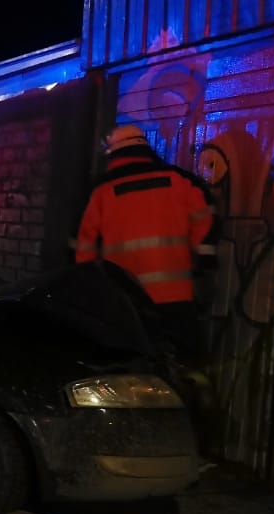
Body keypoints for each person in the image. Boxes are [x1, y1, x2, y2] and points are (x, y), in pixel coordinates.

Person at [75, 125, 215, 361]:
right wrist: (204, 269)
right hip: (177, 301)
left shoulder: (102, 192)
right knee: (186, 368)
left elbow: (84, 251)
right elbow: (207, 229)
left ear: (113, 156)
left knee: (125, 374)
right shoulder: (180, 182)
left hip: (125, 305)